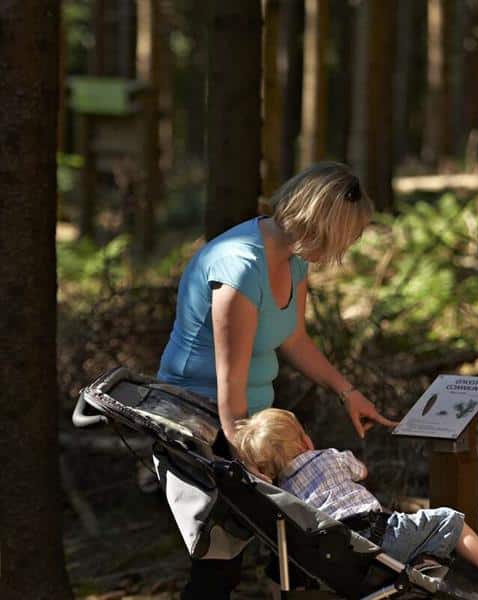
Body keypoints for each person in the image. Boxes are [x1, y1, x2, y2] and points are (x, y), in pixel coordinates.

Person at [157, 162, 397, 599]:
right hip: (200, 422)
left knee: (300, 542)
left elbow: (294, 339)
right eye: (346, 236)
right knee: (218, 566)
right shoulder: (239, 267)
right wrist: (249, 468)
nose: (347, 248)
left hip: (255, 421)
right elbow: (229, 390)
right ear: (322, 225)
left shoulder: (293, 259)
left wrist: (347, 392)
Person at [232, 408, 478, 591]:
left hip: (340, 561)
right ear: (304, 440)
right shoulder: (329, 457)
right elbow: (361, 471)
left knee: (416, 534)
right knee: (448, 519)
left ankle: (426, 567)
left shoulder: (283, 496)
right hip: (380, 538)